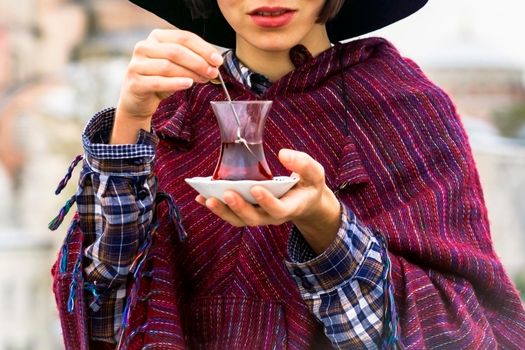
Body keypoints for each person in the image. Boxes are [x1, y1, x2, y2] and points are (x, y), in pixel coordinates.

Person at [50, 0, 525, 348]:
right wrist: (129, 122)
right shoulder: (168, 114)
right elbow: (102, 319)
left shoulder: (409, 112)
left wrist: (326, 224)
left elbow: (467, 332)